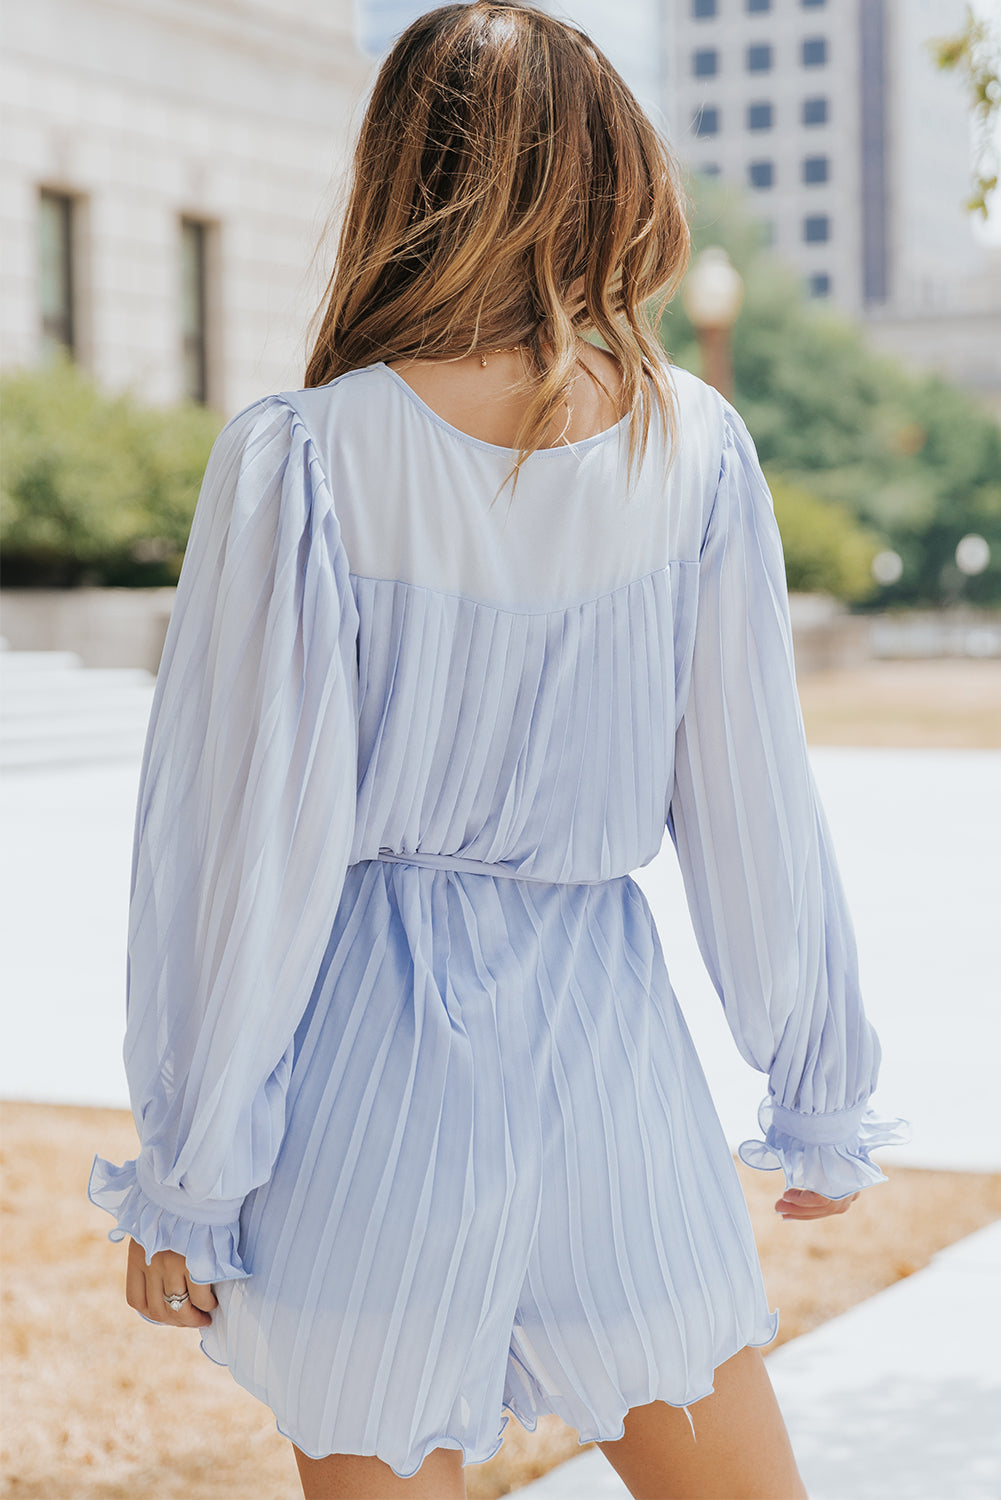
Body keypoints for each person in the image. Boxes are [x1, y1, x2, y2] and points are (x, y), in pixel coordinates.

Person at [87, 5, 910, 1497]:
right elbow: (751, 806)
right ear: (612, 178)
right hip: (608, 1047)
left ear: (402, 176)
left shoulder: (307, 458)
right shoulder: (690, 447)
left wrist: (193, 1175)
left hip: (370, 1066)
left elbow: (240, 856)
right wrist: (812, 1084)